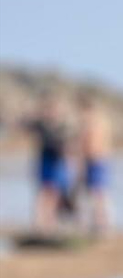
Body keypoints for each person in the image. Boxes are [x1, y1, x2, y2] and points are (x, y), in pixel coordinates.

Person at [25, 94, 74, 234]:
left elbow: (69, 144)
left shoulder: (63, 125)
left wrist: (70, 162)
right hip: (45, 160)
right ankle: (40, 223)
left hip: (58, 162)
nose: (53, 112)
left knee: (55, 192)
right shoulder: (42, 124)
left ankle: (51, 223)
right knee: (43, 192)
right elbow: (26, 125)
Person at [75, 95, 114, 240]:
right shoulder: (96, 123)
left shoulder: (95, 123)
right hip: (97, 161)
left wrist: (82, 164)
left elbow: (91, 146)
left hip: (96, 162)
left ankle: (102, 226)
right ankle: (98, 225)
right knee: (96, 195)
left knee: (98, 195)